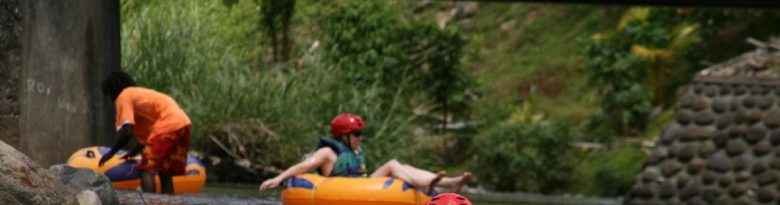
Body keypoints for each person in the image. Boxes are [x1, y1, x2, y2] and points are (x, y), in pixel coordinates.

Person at [259, 113, 471, 193]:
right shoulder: (328, 152)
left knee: (397, 165)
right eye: (356, 133)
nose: (361, 137)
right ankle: (433, 183)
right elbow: (304, 166)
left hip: (361, 185)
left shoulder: (355, 149)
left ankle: (444, 183)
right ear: (343, 136)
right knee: (394, 166)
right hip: (340, 190)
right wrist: (278, 178)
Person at [98, 71, 192, 194]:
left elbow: (127, 132)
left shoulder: (123, 97)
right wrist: (134, 151)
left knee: (146, 168)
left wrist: (111, 153)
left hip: (168, 125)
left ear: (112, 91)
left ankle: (148, 200)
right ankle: (168, 201)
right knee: (165, 171)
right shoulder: (138, 95)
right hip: (183, 124)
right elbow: (151, 136)